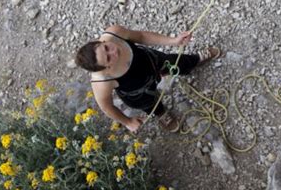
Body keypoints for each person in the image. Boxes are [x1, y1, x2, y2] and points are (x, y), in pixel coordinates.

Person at [75, 25, 220, 133]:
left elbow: (142, 36)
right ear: (104, 68)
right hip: (137, 91)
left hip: (150, 61)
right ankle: (161, 113)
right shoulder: (102, 82)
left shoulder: (114, 33)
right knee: (150, 104)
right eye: (108, 58)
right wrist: (128, 122)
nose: (113, 51)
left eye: (106, 47)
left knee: (176, 62)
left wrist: (174, 41)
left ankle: (195, 59)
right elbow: (106, 107)